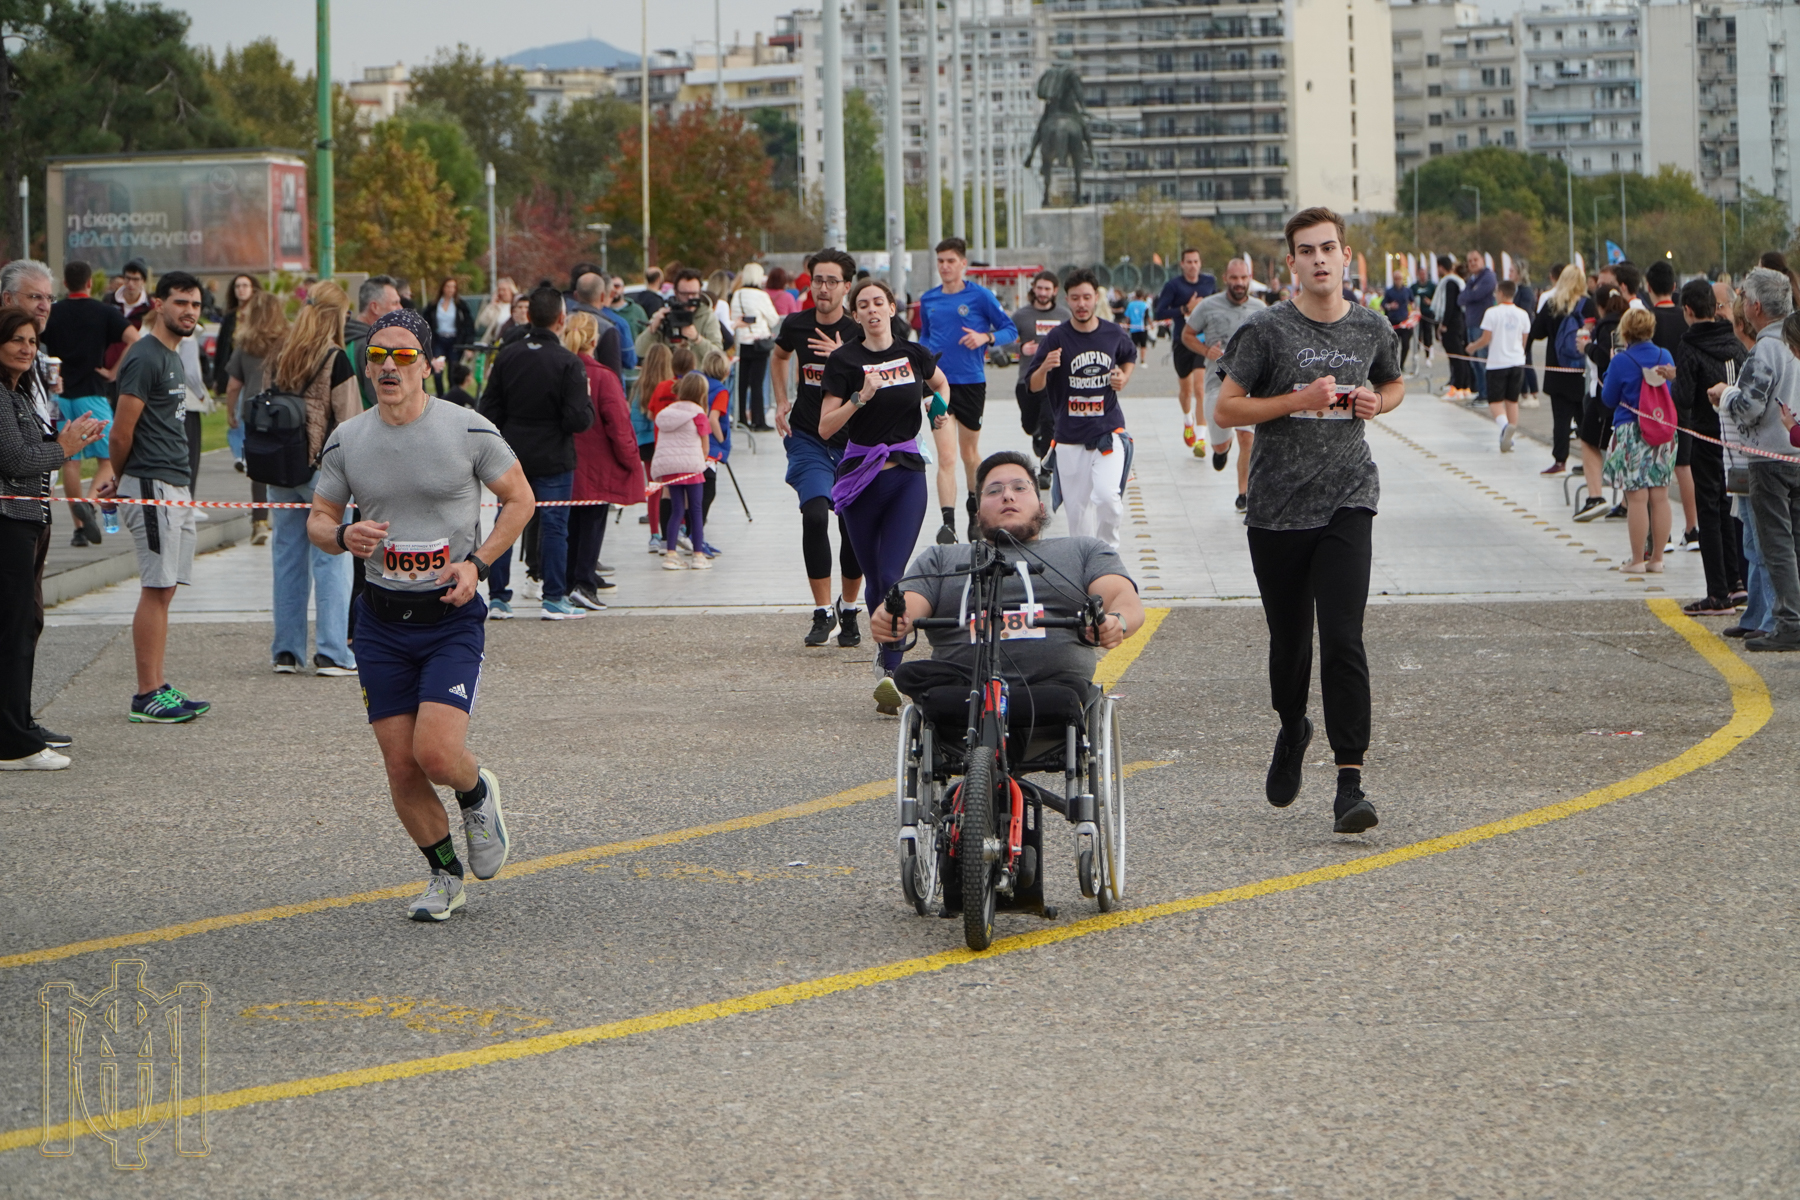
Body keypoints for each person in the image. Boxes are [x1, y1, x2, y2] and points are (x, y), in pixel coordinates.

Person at [308, 307, 533, 921]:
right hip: (379, 621)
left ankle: (476, 788)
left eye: (402, 355)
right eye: (376, 354)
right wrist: (341, 536)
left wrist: (478, 565)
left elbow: (520, 501)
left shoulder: (467, 431)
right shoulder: (348, 438)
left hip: (450, 617)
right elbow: (318, 520)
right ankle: (443, 877)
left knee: (436, 754)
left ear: (426, 364)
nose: (387, 366)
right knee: (401, 762)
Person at [1213, 207, 1405, 836]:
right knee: (1291, 643)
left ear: (1346, 257)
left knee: (1344, 637)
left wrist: (1379, 401)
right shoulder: (1266, 330)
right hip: (1277, 508)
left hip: (1349, 496)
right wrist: (1299, 400)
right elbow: (1225, 410)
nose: (1319, 259)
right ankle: (1293, 726)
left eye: (1329, 248)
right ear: (1290, 263)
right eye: (1306, 250)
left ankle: (1350, 782)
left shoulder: (1372, 326)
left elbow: (1394, 383)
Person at [873, 449, 1146, 754]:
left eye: (1020, 487)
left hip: (1050, 690)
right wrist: (893, 619)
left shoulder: (1082, 551)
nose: (1007, 496)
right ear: (977, 511)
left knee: (1064, 695)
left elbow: (1124, 598)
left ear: (1040, 505)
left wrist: (1115, 621)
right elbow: (908, 604)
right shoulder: (941, 558)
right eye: (994, 490)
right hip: (961, 689)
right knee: (913, 675)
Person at [818, 278, 950, 714]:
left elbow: (942, 386)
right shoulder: (844, 359)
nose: (873, 310)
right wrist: (859, 398)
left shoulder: (912, 353)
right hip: (861, 479)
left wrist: (937, 408)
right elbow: (825, 427)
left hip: (907, 474)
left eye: (880, 302)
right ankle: (886, 654)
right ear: (855, 315)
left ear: (892, 308)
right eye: (864, 305)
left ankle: (891, 672)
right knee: (874, 579)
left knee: (893, 573)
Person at [95, 270, 212, 724]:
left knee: (166, 590)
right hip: (150, 485)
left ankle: (158, 685)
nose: (189, 312)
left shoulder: (173, 355)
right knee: (156, 586)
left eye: (196, 305)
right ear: (158, 304)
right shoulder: (143, 357)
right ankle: (145, 694)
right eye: (181, 302)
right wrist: (120, 478)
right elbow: (121, 433)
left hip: (174, 483)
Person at [0, 305, 105, 768]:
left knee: (23, 627)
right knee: (13, 631)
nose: (27, 348)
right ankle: (14, 742)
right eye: (17, 340)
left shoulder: (18, 391)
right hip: (9, 522)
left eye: (32, 341)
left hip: (28, 518)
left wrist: (67, 442)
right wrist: (63, 449)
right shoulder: (2, 396)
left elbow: (29, 452)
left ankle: (18, 727)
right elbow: (16, 462)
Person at [477, 286, 596, 620]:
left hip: (512, 455)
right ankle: (553, 596)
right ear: (561, 319)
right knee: (555, 526)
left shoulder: (507, 357)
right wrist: (584, 402)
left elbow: (489, 410)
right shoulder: (568, 363)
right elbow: (577, 419)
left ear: (527, 316)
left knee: (506, 521)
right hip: (555, 455)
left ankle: (499, 597)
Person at [260, 293, 362, 675]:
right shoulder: (335, 358)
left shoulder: (280, 355)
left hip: (280, 468)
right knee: (332, 559)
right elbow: (351, 419)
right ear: (337, 316)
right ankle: (332, 651)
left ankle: (286, 651)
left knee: (286, 559)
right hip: (323, 472)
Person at [772, 248, 868, 647]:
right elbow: (778, 358)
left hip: (853, 444)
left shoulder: (860, 332)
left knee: (851, 528)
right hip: (809, 437)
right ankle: (820, 611)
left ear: (847, 286)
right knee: (814, 515)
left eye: (832, 282)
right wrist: (780, 400)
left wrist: (843, 358)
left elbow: (879, 380)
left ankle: (848, 610)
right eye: (818, 281)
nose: (823, 289)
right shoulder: (796, 325)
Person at [1717, 268, 1800, 651]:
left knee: (1775, 544)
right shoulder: (1794, 344)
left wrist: (1728, 396)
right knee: (1794, 541)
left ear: (1755, 305)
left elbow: (1750, 407)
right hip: (1795, 452)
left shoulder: (1766, 348)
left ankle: (1787, 620)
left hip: (1770, 459)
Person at [1026, 269, 1136, 550]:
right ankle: (1086, 568)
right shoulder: (1056, 338)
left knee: (1108, 499)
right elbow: (1034, 385)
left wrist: (1123, 377)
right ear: (1067, 300)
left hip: (1108, 432)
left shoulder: (1113, 332)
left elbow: (1129, 356)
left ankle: (1108, 555)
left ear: (1096, 298)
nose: (1082, 304)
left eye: (1087, 297)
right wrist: (1045, 367)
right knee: (1077, 516)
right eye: (1075, 298)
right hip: (1069, 438)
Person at [917, 237, 1017, 543]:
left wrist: (984, 337)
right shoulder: (928, 300)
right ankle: (948, 524)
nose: (945, 267)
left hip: (971, 382)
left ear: (963, 263)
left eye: (951, 261)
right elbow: (924, 336)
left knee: (969, 453)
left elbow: (1009, 330)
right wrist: (919, 367)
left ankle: (976, 513)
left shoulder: (981, 296)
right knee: (945, 456)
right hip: (936, 385)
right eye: (940, 261)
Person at [37, 259, 131, 546]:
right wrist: (114, 372)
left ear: (65, 284)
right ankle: (89, 504)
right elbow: (136, 339)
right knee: (108, 459)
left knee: (69, 458)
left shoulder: (55, 312)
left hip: (59, 394)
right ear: (90, 283)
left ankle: (79, 529)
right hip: (93, 392)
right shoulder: (104, 312)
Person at [1675, 278, 1750, 616]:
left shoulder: (1690, 346)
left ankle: (1716, 591)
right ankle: (1736, 583)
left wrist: (1673, 381)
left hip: (1706, 435)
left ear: (1689, 311)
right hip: (1737, 435)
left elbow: (1686, 398)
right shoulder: (1733, 340)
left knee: (1709, 509)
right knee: (1731, 508)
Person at [562, 311, 639, 609]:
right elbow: (619, 426)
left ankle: (565, 581)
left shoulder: (559, 369)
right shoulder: (604, 376)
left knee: (565, 527)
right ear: (594, 340)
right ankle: (584, 581)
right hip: (596, 466)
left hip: (561, 464)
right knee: (592, 525)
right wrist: (631, 460)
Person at [1600, 307, 1678, 574]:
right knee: (1661, 496)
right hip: (1663, 429)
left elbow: (1608, 399)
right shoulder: (1664, 355)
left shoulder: (1621, 361)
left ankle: (1636, 560)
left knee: (1636, 499)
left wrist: (1611, 368)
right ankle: (1657, 559)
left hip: (1632, 432)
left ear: (1625, 332)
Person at [1183, 258, 1266, 508]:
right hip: (1217, 383)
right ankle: (1221, 450)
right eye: (1234, 278)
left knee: (1247, 439)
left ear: (1249, 278)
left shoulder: (1260, 308)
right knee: (1220, 442)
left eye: (1243, 278)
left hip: (1250, 385)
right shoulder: (1208, 306)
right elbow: (1186, 335)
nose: (1239, 283)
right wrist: (1206, 350)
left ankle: (1244, 494)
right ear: (1225, 278)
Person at [223, 290, 288, 545]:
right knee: (284, 463)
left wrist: (230, 411)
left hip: (253, 410)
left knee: (258, 468)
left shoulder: (245, 343)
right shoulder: (289, 341)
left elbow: (232, 385)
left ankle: (259, 521)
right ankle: (285, 515)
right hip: (284, 410)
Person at [1644, 261, 1698, 551]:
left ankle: (1659, 533)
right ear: (1674, 288)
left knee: (1654, 467)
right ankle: (1692, 528)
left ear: (1648, 287)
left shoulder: (1644, 319)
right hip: (1682, 398)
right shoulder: (1684, 317)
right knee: (1684, 465)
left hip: (1653, 404)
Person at [1529, 265, 1592, 479]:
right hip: (1582, 371)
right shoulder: (1588, 305)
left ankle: (1559, 460)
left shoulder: (1551, 304)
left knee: (1561, 419)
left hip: (1557, 370)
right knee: (1585, 418)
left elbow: (1536, 333)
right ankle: (1589, 460)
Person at [1155, 248, 1219, 449]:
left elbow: (1218, 304)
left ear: (1200, 263)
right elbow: (1159, 313)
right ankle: (1187, 420)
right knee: (1186, 389)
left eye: (1196, 261)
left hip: (1203, 341)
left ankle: (1201, 438)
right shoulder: (1173, 286)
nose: (1193, 265)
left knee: (1201, 388)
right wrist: (1185, 309)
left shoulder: (1209, 282)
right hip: (1182, 340)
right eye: (1188, 262)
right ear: (1182, 264)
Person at [651, 372, 715, 571]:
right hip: (692, 467)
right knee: (695, 510)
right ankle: (697, 554)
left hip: (670, 468)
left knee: (676, 510)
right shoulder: (698, 414)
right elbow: (705, 447)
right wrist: (703, 461)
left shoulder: (668, 412)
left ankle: (670, 554)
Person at [1010, 269, 1070, 464]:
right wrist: (1020, 348)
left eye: (1047, 289)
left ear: (1055, 291)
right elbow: (1002, 339)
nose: (1043, 293)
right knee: (1029, 424)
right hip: (1027, 378)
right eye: (1039, 288)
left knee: (1049, 421)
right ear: (1034, 289)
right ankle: (1036, 435)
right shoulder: (1021, 315)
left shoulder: (1064, 315)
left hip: (1055, 379)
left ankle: (1046, 468)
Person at [1464, 279, 1532, 452]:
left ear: (1500, 293)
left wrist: (1473, 346)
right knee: (1512, 400)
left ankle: (1504, 427)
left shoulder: (1492, 313)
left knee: (1495, 401)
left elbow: (1486, 339)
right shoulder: (1523, 314)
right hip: (1517, 361)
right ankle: (1511, 436)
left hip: (1497, 363)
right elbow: (1524, 340)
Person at [631, 343, 675, 552]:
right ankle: (677, 528)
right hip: (667, 440)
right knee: (673, 486)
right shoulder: (672, 386)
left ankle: (654, 534)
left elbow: (634, 417)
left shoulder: (640, 385)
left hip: (646, 443)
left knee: (653, 487)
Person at [633, 268, 724, 362]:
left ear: (700, 292)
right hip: (669, 373)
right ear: (676, 292)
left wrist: (697, 339)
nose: (690, 298)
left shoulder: (707, 316)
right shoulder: (666, 314)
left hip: (697, 374)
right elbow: (639, 351)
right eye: (685, 294)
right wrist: (652, 329)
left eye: (694, 294)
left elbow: (718, 356)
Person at [730, 262, 780, 430]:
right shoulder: (761, 296)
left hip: (741, 343)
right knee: (757, 383)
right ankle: (759, 420)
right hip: (759, 343)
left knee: (742, 383)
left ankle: (741, 418)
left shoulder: (736, 295)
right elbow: (773, 319)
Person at [346, 276, 402, 409]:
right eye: (395, 303)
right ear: (375, 307)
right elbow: (382, 405)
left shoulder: (345, 338)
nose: (401, 308)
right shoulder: (371, 347)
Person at [567, 268, 627, 376]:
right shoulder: (607, 329)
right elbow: (613, 375)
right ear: (603, 296)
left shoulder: (562, 323)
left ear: (575, 295)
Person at [210, 274, 258, 394]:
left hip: (254, 368)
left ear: (253, 289)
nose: (241, 289)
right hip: (233, 367)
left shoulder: (260, 316)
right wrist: (217, 378)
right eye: (237, 286)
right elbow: (221, 348)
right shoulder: (230, 317)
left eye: (245, 286)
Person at [1460, 250, 1497, 404]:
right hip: (1471, 323)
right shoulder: (1471, 280)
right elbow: (1461, 299)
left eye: (1475, 259)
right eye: (1470, 261)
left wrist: (1470, 294)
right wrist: (1470, 293)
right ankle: (1482, 391)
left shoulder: (1488, 277)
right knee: (1475, 362)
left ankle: (1487, 393)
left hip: (1482, 325)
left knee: (1482, 360)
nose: (1473, 263)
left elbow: (1477, 295)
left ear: (1482, 260)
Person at [1433, 256, 1471, 397]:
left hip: (1452, 324)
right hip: (1459, 322)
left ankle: (1458, 387)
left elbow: (1449, 305)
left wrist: (1444, 324)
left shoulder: (1449, 282)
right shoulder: (1457, 281)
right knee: (1459, 355)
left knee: (1456, 356)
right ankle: (1463, 385)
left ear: (1441, 267)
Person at [429, 278, 475, 393]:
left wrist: (469, 345)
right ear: (443, 288)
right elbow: (427, 322)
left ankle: (452, 398)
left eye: (453, 287)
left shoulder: (460, 306)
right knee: (437, 371)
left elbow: (469, 325)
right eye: (448, 286)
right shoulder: (434, 306)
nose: (450, 289)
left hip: (454, 340)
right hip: (439, 340)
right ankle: (440, 395)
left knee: (453, 373)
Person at [1380, 269, 1413, 370]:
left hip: (1404, 322)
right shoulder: (1389, 291)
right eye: (1396, 278)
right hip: (1393, 322)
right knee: (1393, 346)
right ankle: (1393, 366)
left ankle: (1402, 364)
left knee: (1406, 345)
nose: (1398, 280)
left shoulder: (1407, 290)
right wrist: (1390, 306)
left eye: (1400, 278)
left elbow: (1412, 301)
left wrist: (1415, 310)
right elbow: (1382, 305)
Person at [474, 277, 517, 345]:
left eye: (504, 290)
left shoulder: (517, 305)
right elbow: (483, 322)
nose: (501, 292)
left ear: (511, 290)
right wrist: (492, 304)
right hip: (497, 341)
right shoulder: (497, 307)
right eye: (499, 290)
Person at [1410, 265, 1437, 369]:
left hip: (1428, 313)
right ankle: (1416, 354)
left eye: (1424, 274)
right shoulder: (1414, 287)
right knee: (1417, 334)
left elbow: (1436, 298)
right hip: (1417, 314)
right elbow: (1410, 298)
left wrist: (1431, 302)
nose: (1422, 276)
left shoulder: (1431, 286)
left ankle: (1428, 355)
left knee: (1428, 334)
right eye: (1421, 274)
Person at [1124, 289, 1150, 353]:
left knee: (1133, 345)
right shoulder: (1145, 305)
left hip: (1133, 327)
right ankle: (1142, 360)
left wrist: (1126, 325)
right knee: (1143, 345)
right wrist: (1151, 324)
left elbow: (1127, 317)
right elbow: (1147, 316)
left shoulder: (1130, 305)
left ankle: (1133, 358)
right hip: (1142, 327)